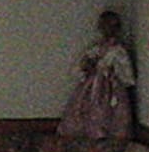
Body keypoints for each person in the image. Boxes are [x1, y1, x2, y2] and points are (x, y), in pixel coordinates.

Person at [58, 9, 137, 142]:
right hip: (92, 86)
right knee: (86, 107)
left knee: (110, 110)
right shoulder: (95, 49)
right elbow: (78, 68)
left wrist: (113, 74)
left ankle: (107, 133)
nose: (107, 30)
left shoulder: (119, 51)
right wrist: (86, 67)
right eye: (104, 26)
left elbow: (128, 76)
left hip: (111, 89)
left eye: (112, 26)